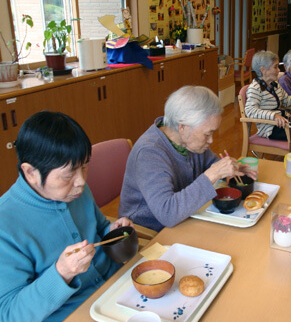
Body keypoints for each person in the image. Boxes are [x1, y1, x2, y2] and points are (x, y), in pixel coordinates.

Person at [0, 111, 133, 322]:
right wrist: (61, 272)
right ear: (31, 173)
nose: (81, 181)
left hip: (116, 288)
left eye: (85, 166)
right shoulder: (5, 225)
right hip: (74, 313)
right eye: (69, 174)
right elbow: (9, 314)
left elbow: (99, 228)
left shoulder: (76, 190)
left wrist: (113, 232)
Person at [119, 86, 255, 232]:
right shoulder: (149, 153)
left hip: (185, 218)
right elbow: (167, 214)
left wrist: (228, 170)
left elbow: (210, 164)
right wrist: (212, 175)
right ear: (182, 127)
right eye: (207, 134)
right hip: (152, 231)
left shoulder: (189, 142)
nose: (211, 140)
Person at [245, 50, 291, 141]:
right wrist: (273, 116)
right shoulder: (255, 88)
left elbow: (286, 100)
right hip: (270, 129)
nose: (279, 70)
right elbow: (250, 110)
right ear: (263, 70)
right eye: (275, 67)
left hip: (282, 122)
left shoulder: (274, 85)